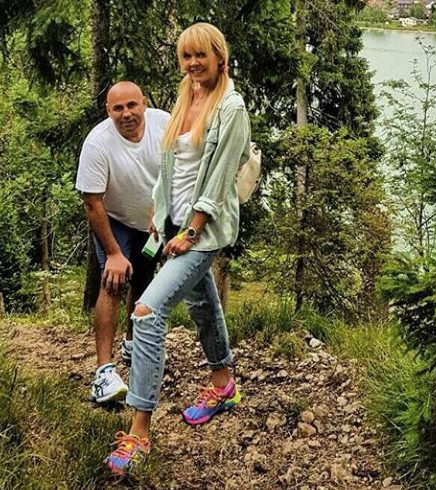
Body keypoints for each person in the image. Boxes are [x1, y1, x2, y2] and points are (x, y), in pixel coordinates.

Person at [105, 23, 251, 475]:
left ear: (219, 57)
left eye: (200, 55)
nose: (192, 64)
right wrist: (160, 208)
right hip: (173, 224)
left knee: (147, 313)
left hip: (202, 231)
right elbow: (173, 166)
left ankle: (139, 432)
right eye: (186, 56)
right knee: (202, 302)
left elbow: (220, 178)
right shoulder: (187, 95)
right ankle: (223, 384)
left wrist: (192, 229)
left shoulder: (231, 107)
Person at [76, 82, 169, 403]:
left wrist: (166, 212)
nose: (126, 114)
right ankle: (103, 373)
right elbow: (92, 201)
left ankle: (132, 344)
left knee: (144, 280)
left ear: (143, 104)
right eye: (118, 108)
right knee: (113, 281)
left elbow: (183, 169)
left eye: (132, 105)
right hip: (114, 218)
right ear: (109, 111)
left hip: (153, 221)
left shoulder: (164, 124)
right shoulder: (98, 143)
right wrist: (114, 253)